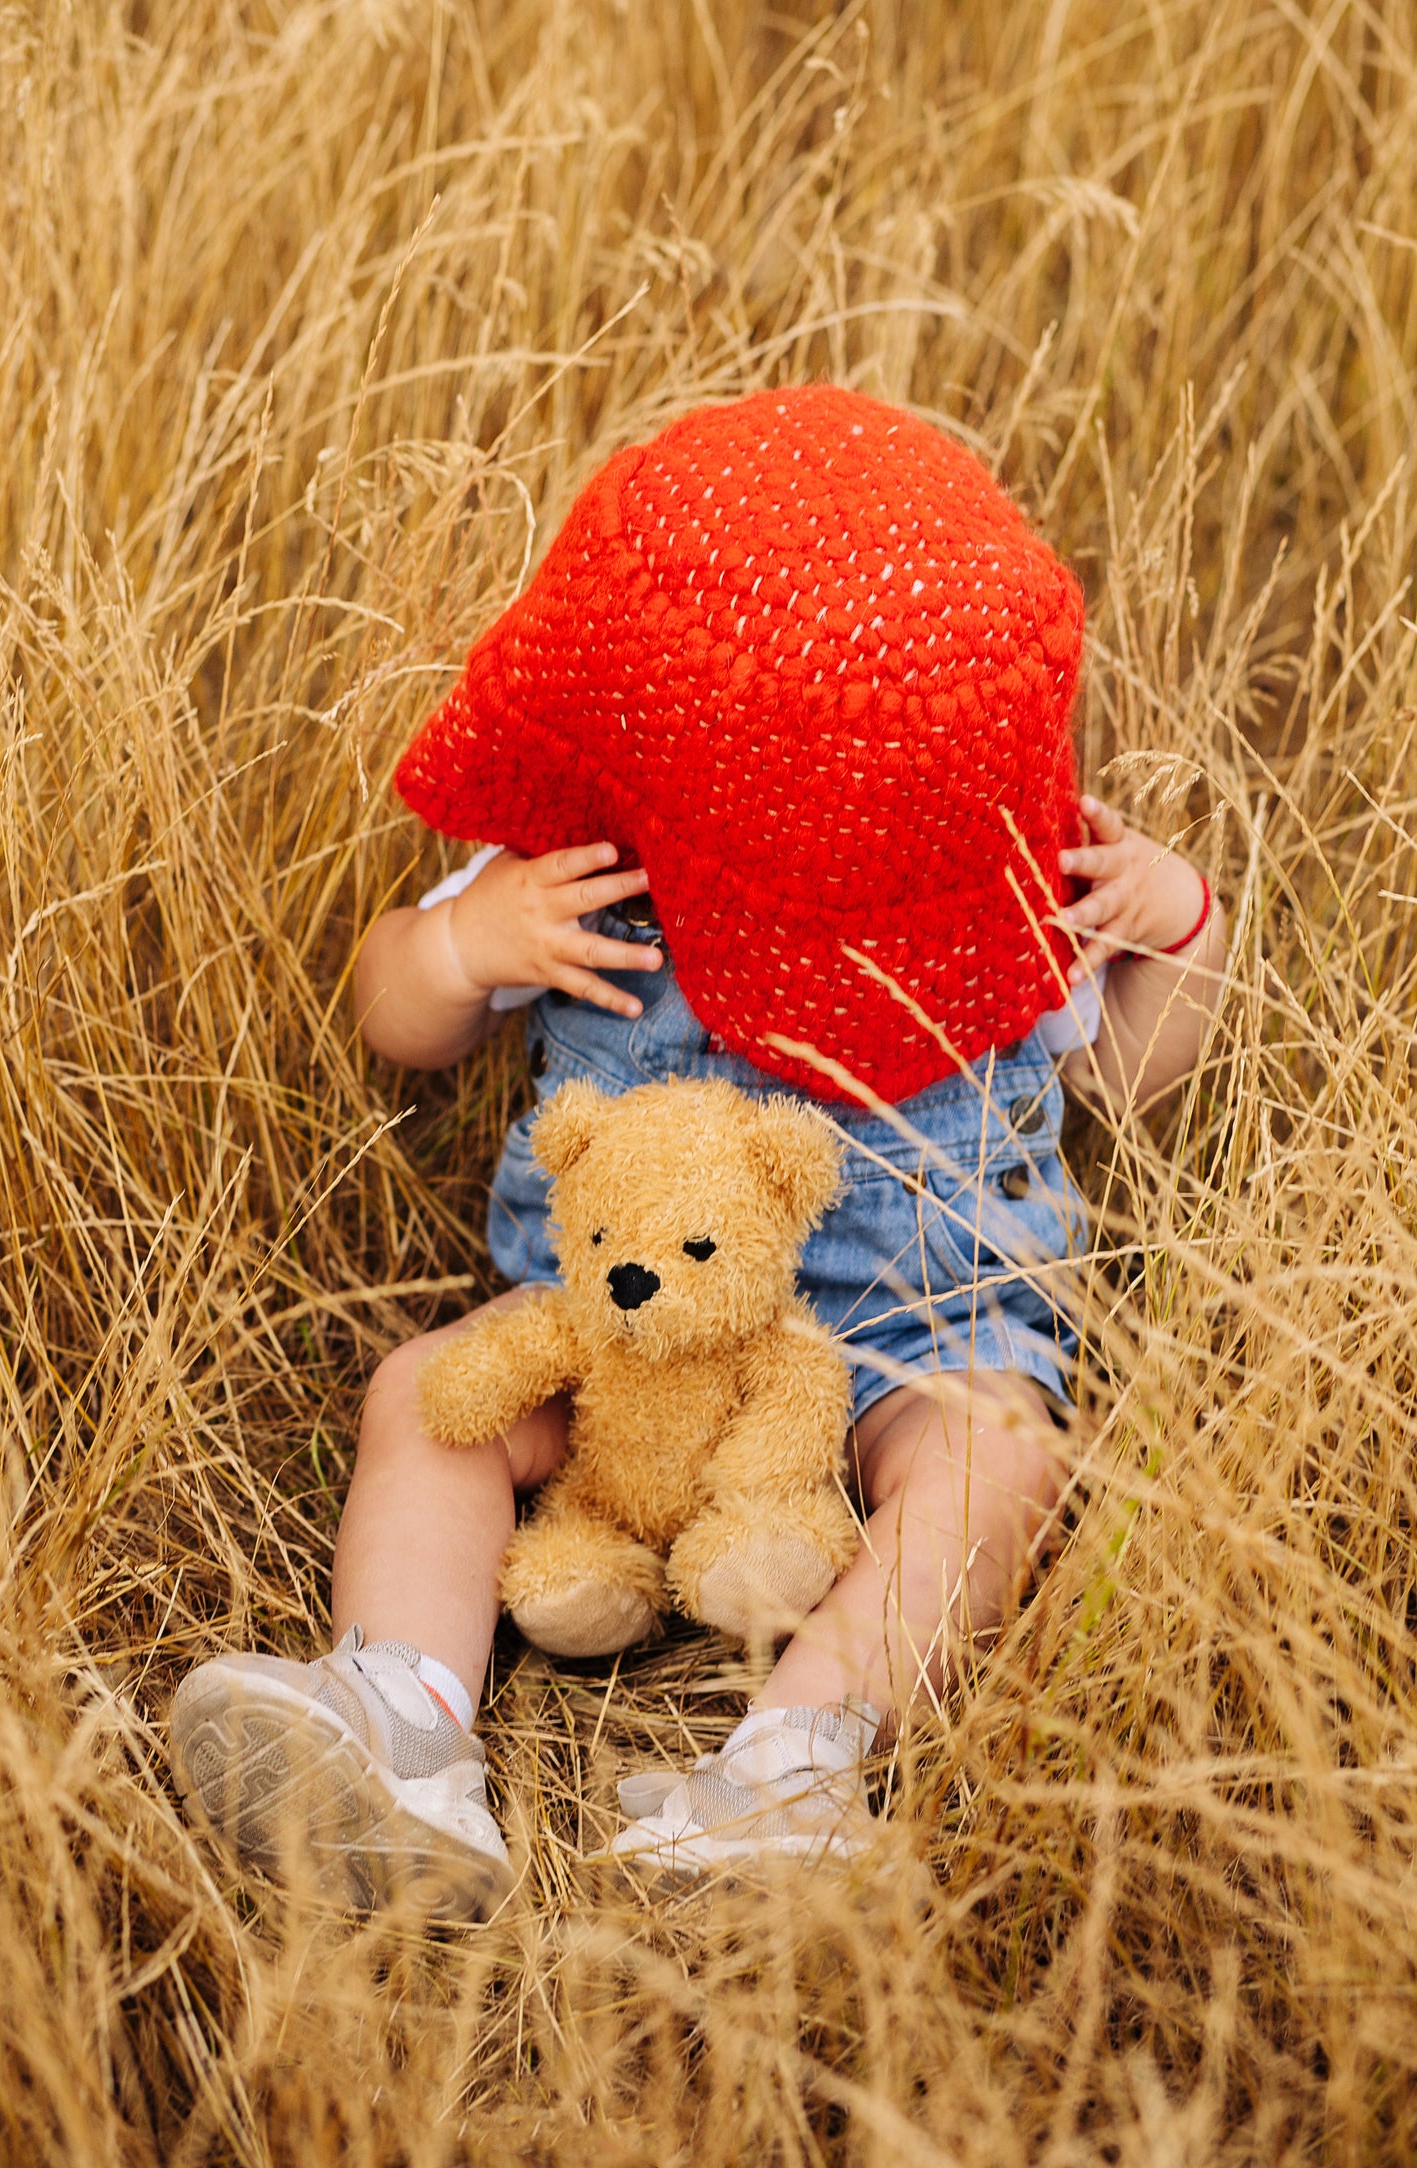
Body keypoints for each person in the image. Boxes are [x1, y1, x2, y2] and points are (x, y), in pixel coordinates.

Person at [169, 386, 1226, 1916]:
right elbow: (398, 1009)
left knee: (996, 1459)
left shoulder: (1005, 879)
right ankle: (401, 1712)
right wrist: (466, 940)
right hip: (608, 1343)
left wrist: (1175, 941)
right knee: (428, 1397)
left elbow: (1120, 1084)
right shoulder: (580, 877)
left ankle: (794, 1760)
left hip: (902, 1346)